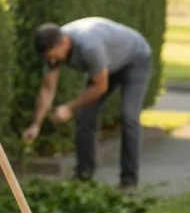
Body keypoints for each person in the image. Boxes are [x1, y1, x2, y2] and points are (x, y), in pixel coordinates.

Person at [23, 17, 154, 191]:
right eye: (48, 58)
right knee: (85, 116)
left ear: (64, 43)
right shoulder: (52, 48)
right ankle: (84, 176)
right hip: (107, 64)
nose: (53, 61)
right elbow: (47, 89)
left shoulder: (89, 47)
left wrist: (69, 107)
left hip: (135, 58)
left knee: (128, 116)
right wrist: (36, 124)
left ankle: (129, 181)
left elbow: (100, 86)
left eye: (54, 55)